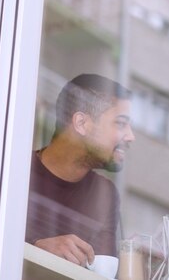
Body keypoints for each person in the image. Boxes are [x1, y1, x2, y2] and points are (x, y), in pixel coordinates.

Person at [25, 73, 135, 267]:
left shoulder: (106, 194)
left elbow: (103, 270)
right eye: (120, 123)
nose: (130, 136)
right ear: (82, 123)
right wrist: (36, 248)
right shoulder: (14, 171)